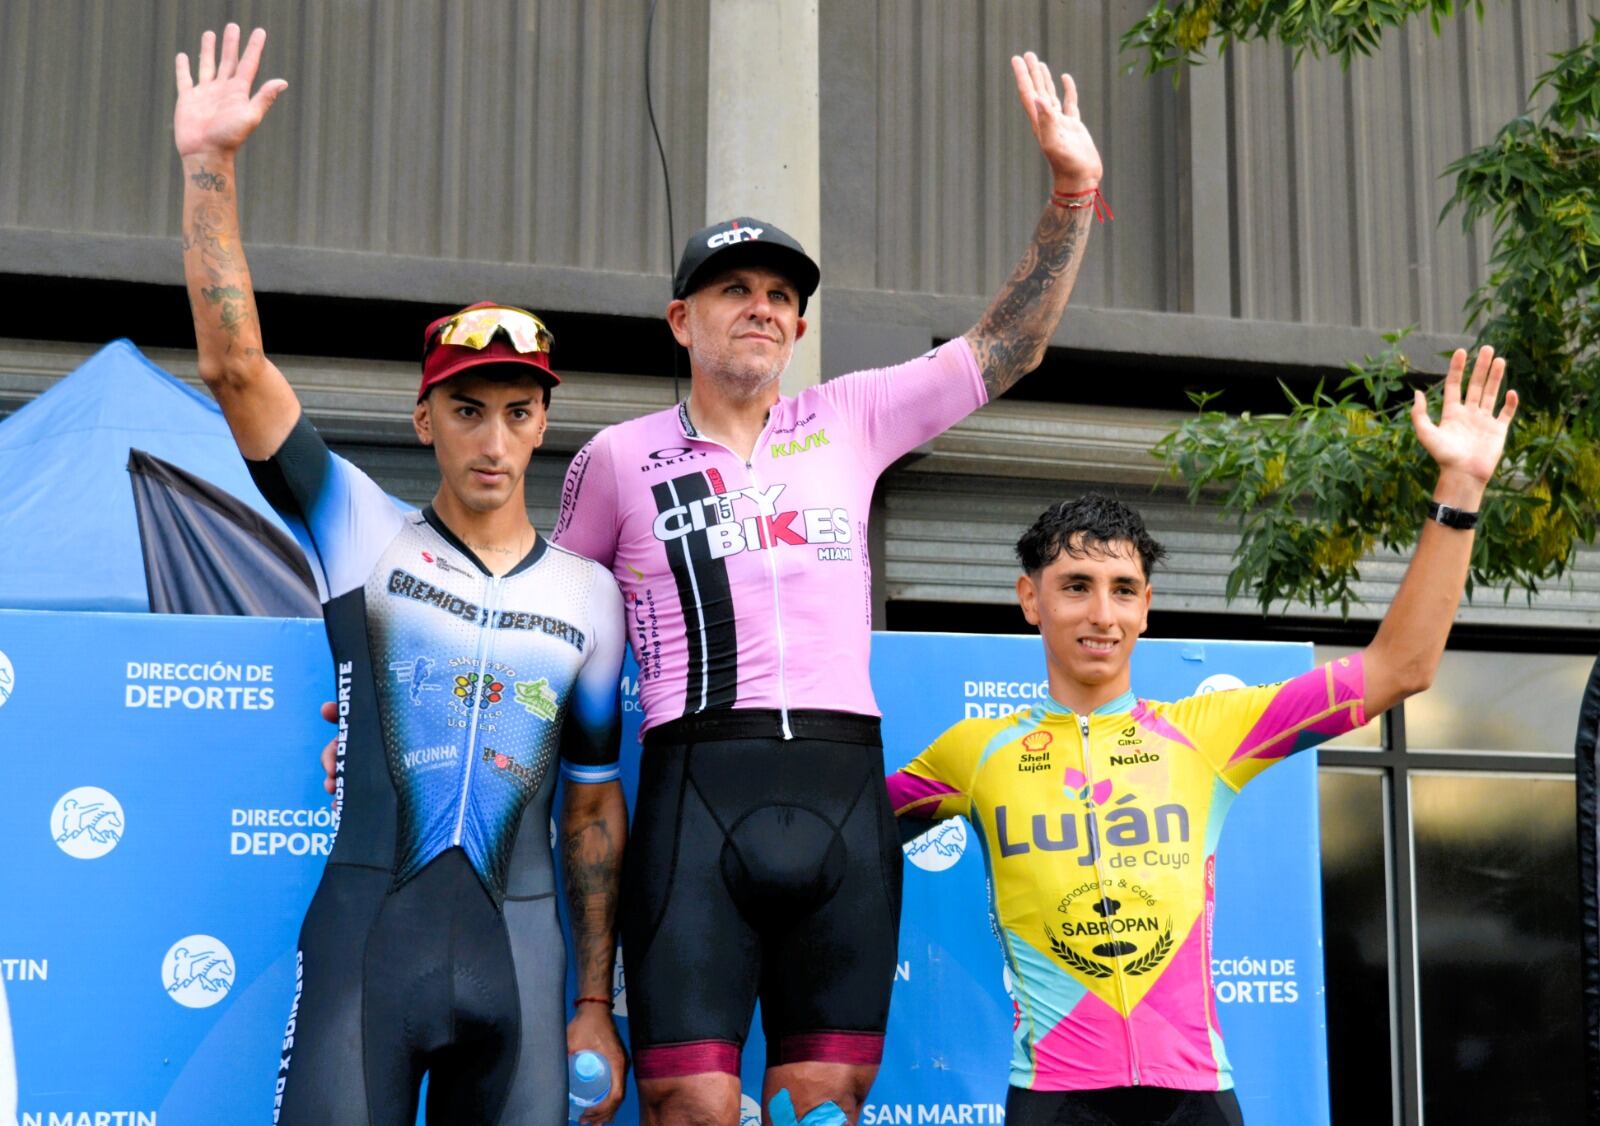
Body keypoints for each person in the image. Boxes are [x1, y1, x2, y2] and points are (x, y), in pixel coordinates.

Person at [547, 48, 1106, 1126]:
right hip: (693, 790)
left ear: (799, 329)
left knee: (825, 1104)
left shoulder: (849, 417)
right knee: (689, 1102)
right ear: (681, 321)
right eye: (733, 290)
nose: (759, 309)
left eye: (779, 297)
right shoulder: (615, 461)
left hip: (845, 792)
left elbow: (1011, 347)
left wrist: (1071, 195)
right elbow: (547, 632)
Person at [173, 26, 627, 1124]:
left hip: (522, 963)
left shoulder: (591, 596)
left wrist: (594, 1001)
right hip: (367, 948)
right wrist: (207, 167)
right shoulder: (359, 528)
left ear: (544, 426)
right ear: (425, 418)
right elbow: (235, 366)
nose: (492, 438)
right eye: (467, 409)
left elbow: (592, 813)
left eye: (518, 413)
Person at [886, 348, 1518, 1125]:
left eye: (1123, 591)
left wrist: (1462, 485)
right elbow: (844, 837)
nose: (1102, 615)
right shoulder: (972, 753)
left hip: (1195, 1098)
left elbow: (1401, 668)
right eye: (1075, 588)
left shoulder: (1209, 732)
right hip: (1051, 1099)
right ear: (1031, 600)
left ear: (1147, 606)